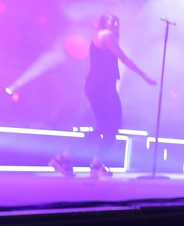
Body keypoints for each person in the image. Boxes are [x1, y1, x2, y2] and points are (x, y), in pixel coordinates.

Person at [50, 14, 156, 177]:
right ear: (103, 23)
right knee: (106, 127)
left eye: (116, 21)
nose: (114, 23)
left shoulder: (104, 38)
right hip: (100, 87)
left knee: (111, 127)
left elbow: (95, 63)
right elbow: (123, 58)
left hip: (106, 86)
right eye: (110, 20)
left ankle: (86, 161)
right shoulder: (106, 35)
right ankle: (67, 157)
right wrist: (144, 75)